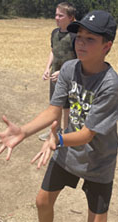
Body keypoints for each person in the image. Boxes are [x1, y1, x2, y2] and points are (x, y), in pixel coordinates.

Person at [0, 10, 118, 222]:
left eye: (90, 39)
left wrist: (57, 140)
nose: (80, 42)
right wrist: (24, 132)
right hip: (67, 151)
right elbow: (53, 112)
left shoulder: (109, 84)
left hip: (98, 161)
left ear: (107, 45)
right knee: (42, 201)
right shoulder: (69, 69)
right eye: (79, 36)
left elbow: (88, 134)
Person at [39, 2, 77, 141]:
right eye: (56, 15)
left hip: (69, 78)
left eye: (61, 15)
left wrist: (62, 73)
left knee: (67, 107)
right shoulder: (55, 33)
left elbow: (78, 60)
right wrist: (47, 68)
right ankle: (55, 132)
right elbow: (53, 51)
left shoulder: (74, 36)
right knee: (55, 106)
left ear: (71, 17)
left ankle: (65, 136)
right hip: (54, 77)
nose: (57, 18)